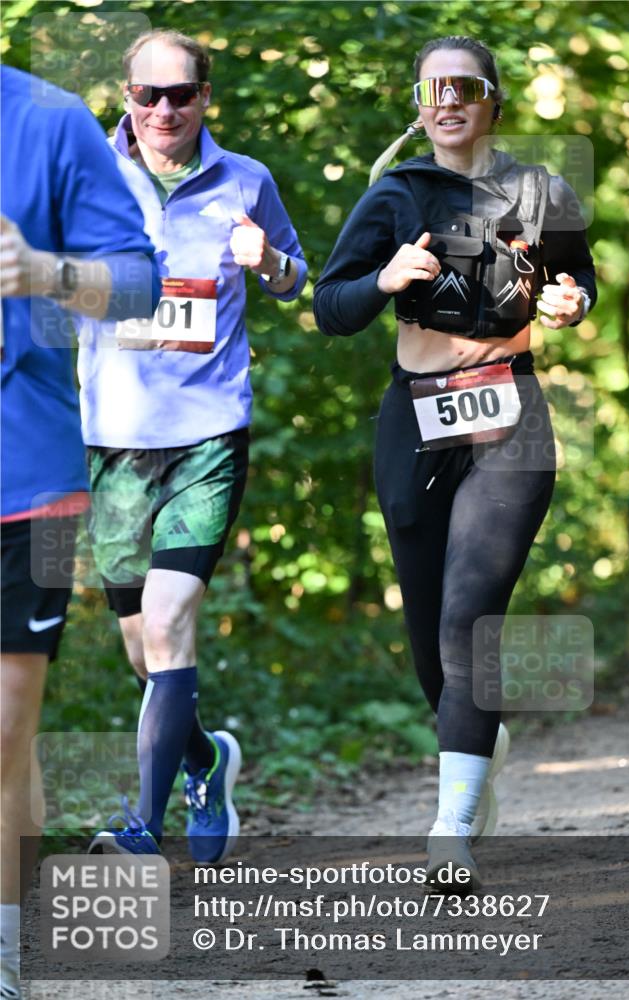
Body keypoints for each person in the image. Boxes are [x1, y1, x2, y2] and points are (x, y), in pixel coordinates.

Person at [313, 36, 596, 890]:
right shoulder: (394, 194)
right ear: (416, 101)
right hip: (415, 417)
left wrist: (570, 300)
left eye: (463, 86)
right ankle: (479, 742)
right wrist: (385, 279)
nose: (446, 100)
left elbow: (577, 280)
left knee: (471, 616)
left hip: (509, 411)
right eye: (432, 87)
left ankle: (447, 829)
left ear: (491, 99)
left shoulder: (541, 189)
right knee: (431, 644)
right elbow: (331, 308)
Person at [79, 30, 307, 861]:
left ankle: (144, 826)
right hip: (113, 442)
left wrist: (270, 258)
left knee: (173, 619)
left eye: (182, 94)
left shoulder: (245, 180)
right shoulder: (86, 178)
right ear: (127, 98)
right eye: (150, 95)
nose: (165, 109)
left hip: (208, 435)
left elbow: (296, 279)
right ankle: (207, 760)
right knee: (142, 648)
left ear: (206, 96)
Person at [0, 66, 160, 1000]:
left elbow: (139, 282)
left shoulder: (52, 123)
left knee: (8, 730)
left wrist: (46, 273)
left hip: (41, 481)